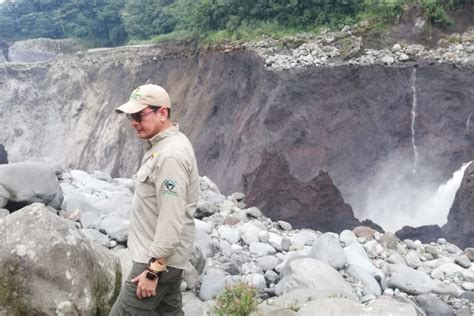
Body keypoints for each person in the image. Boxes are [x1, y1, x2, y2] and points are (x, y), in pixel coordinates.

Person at [110, 84, 199, 316]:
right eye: (131, 116)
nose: (133, 122)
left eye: (139, 115)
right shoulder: (165, 145)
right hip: (168, 263)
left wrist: (153, 271)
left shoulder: (170, 156)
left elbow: (172, 216)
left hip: (155, 263)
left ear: (162, 113)